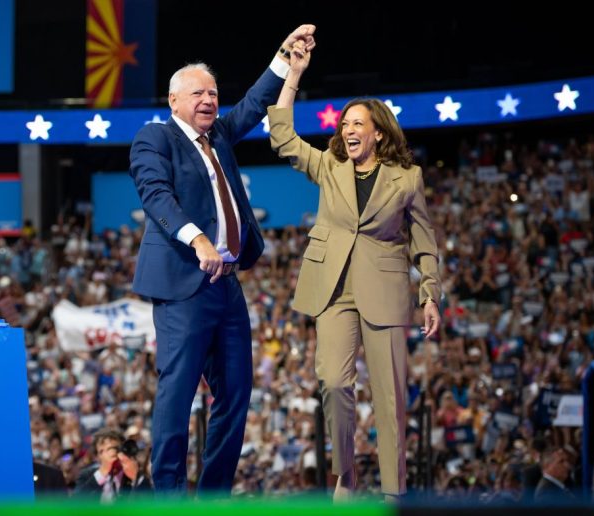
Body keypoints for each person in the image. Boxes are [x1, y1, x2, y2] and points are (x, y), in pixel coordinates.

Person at [129, 24, 316, 495]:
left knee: (235, 395)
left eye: (213, 92)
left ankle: (212, 496)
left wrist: (284, 56)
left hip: (227, 286)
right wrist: (197, 240)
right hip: (184, 283)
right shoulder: (156, 139)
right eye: (197, 93)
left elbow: (254, 103)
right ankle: (168, 495)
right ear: (174, 101)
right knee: (178, 390)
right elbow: (156, 195)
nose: (208, 100)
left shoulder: (221, 138)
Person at [267, 40, 441, 501]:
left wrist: (430, 293)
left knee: (389, 400)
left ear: (379, 133)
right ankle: (346, 473)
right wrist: (293, 75)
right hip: (333, 291)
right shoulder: (330, 167)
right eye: (345, 124)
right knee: (335, 384)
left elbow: (424, 241)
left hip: (384, 292)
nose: (348, 130)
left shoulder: (408, 179)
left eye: (357, 124)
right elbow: (282, 136)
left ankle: (394, 492)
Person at [74, 429, 151, 501]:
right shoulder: (87, 475)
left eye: (114, 448)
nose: (109, 454)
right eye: (102, 451)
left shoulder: (135, 473)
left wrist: (135, 477)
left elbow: (149, 504)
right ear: (97, 457)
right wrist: (102, 473)